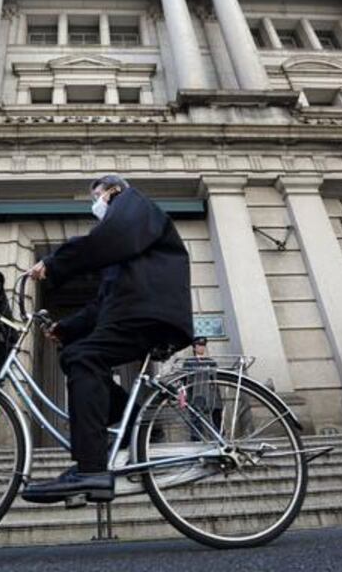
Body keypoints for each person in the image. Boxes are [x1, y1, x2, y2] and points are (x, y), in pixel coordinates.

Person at [22, 174, 194, 504]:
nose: (96, 205)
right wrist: (66, 328)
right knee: (75, 352)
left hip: (149, 311)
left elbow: (107, 238)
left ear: (112, 191)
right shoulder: (127, 250)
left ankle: (91, 469)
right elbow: (104, 300)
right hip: (135, 310)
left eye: (97, 197)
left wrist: (55, 263)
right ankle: (138, 421)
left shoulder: (134, 204)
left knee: (83, 358)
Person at [181, 337, 224, 441]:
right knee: (196, 416)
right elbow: (185, 379)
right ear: (194, 348)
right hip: (196, 391)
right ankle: (197, 438)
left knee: (216, 415)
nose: (201, 348)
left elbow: (216, 377)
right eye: (199, 346)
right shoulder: (189, 362)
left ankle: (219, 437)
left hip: (211, 392)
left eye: (203, 346)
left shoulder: (210, 361)